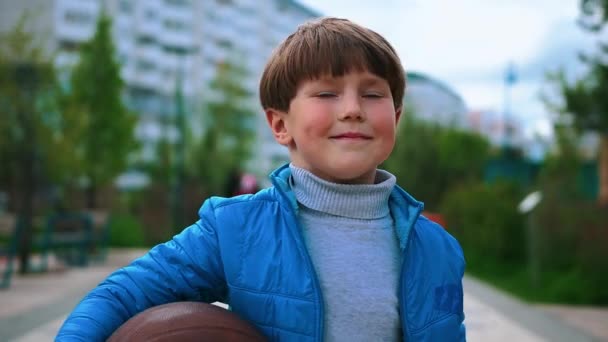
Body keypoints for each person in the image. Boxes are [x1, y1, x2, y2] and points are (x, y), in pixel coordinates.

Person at [56, 17, 466, 341]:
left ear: (394, 118)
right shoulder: (235, 229)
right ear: (280, 124)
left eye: (373, 94)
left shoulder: (437, 248)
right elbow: (121, 295)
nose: (353, 109)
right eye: (327, 93)